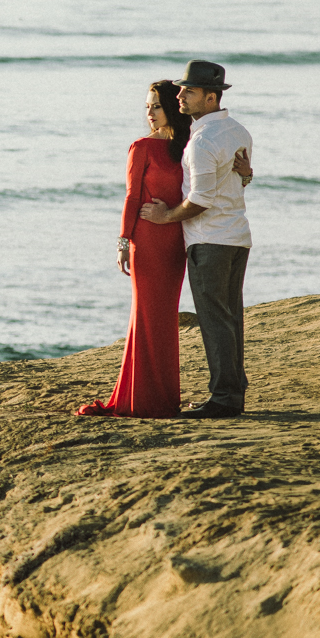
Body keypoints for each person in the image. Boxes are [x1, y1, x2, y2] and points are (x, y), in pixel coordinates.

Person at [140, 60, 254, 418]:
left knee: (215, 319)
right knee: (231, 316)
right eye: (181, 90)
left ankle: (223, 398)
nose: (180, 96)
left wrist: (166, 216)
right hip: (237, 236)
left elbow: (201, 199)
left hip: (210, 240)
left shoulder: (201, 141)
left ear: (210, 97)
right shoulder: (238, 131)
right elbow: (239, 179)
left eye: (188, 91)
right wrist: (248, 175)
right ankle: (233, 392)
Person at [77, 81, 194, 417]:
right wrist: (123, 242)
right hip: (146, 241)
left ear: (171, 108)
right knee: (145, 316)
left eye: (155, 106)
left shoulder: (187, 146)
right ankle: (139, 399)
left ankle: (163, 397)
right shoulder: (140, 147)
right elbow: (131, 197)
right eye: (147, 107)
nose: (149, 113)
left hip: (174, 241)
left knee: (163, 320)